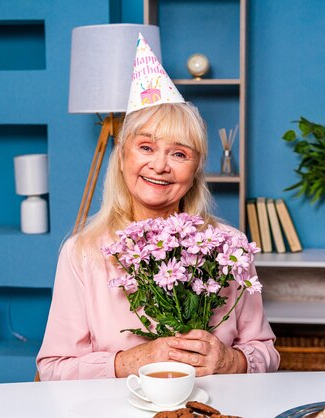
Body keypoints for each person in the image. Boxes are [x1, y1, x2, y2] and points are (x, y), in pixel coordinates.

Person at [36, 34, 279, 381]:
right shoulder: (83, 253)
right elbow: (52, 369)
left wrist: (230, 361)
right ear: (122, 158)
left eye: (179, 154)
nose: (160, 166)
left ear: (195, 170)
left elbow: (266, 353)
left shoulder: (230, 247)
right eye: (146, 147)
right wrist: (130, 361)